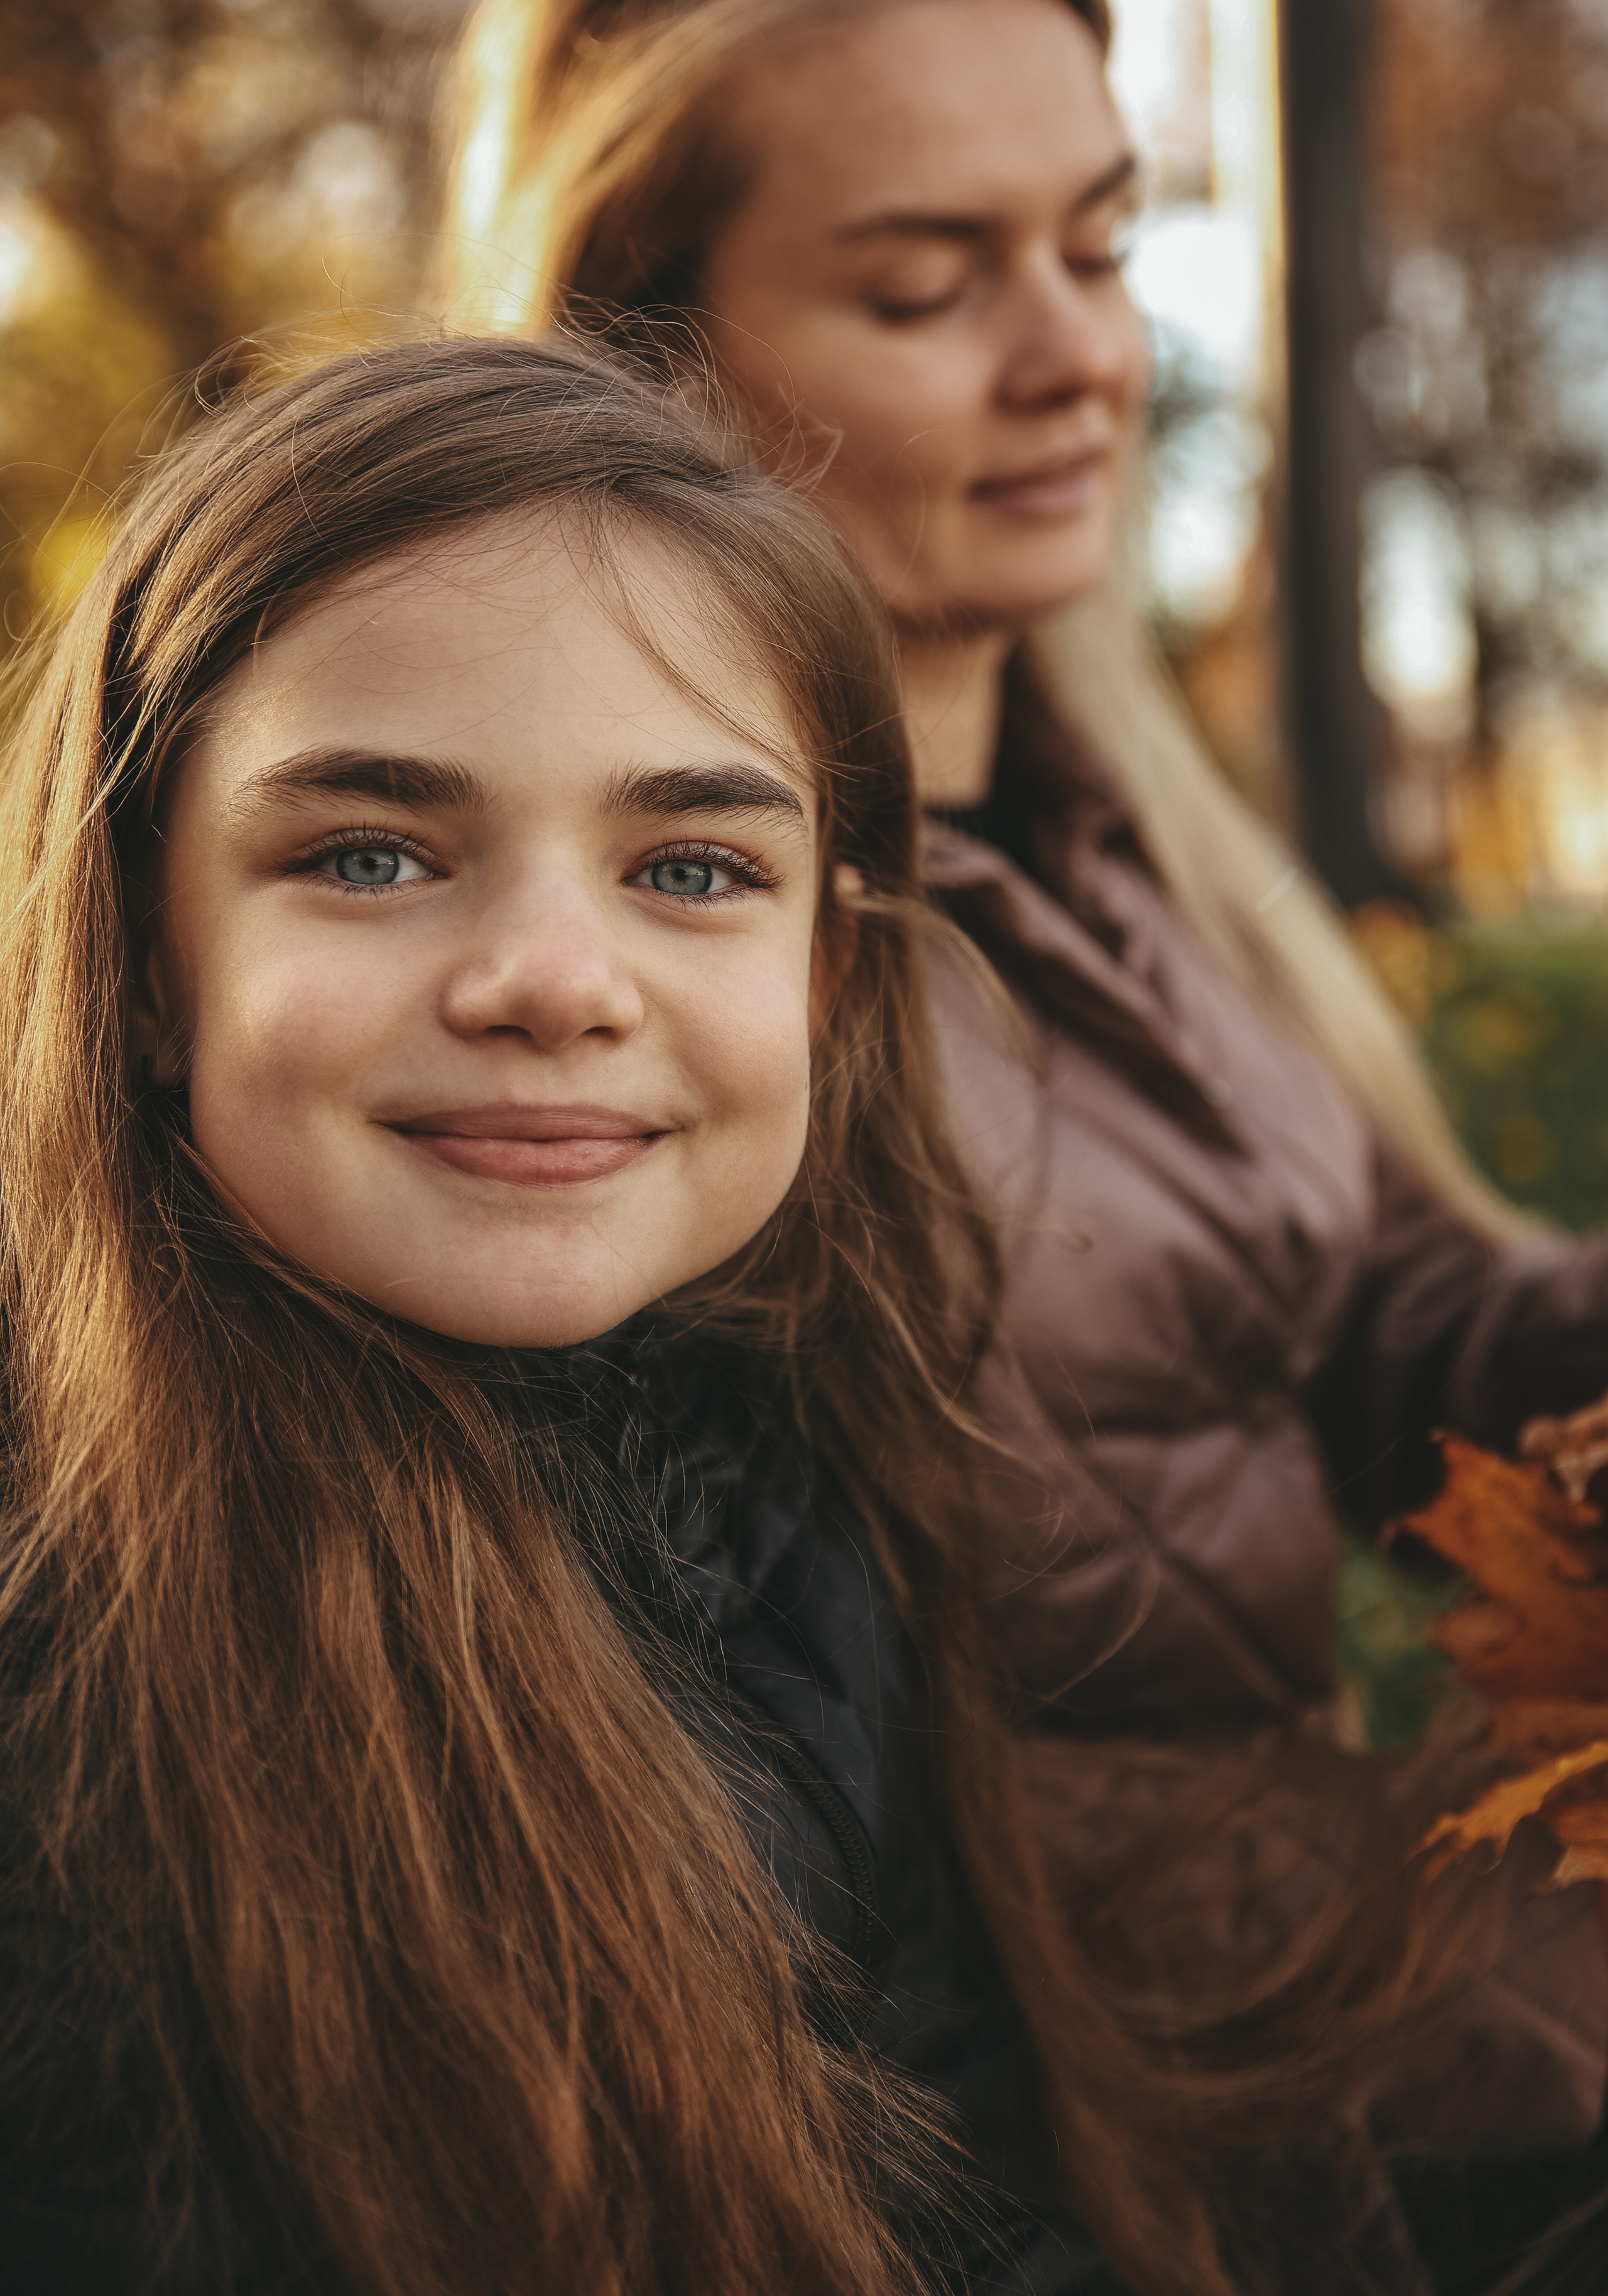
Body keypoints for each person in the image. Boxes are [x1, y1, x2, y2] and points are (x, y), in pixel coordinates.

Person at [437, 0, 1608, 2248]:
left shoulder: (1118, 834)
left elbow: (1390, 1336)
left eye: (1099, 243)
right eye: (928, 284)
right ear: (644, 361)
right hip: (1130, 2110)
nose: (1085, 357)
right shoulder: (654, 999)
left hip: (1379, 1953)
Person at [0, 330, 1251, 2296]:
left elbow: (983, 2198)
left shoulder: (812, 1485)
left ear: (829, 990)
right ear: (142, 959)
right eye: (369, 854)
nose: (554, 980)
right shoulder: (65, 1665)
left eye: (689, 865)